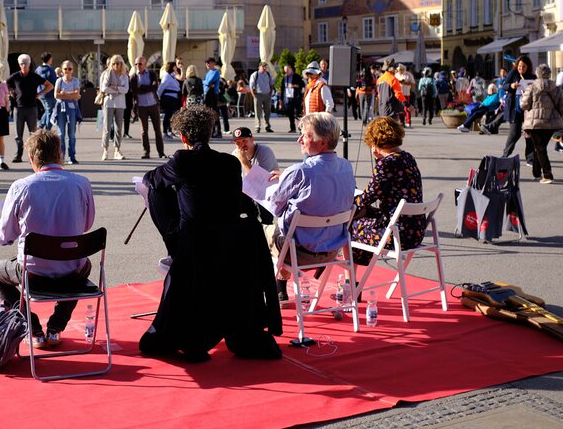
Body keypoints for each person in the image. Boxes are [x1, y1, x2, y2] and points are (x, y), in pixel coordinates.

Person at [140, 105, 282, 362]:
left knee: (154, 192)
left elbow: (152, 179)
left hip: (193, 239)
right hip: (230, 239)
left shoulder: (182, 160)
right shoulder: (229, 162)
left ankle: (173, 248)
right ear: (209, 134)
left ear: (183, 138)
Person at [0, 129, 95, 349]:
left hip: (33, 273)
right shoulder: (81, 183)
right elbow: (87, 225)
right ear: (60, 154)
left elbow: (4, 236)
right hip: (70, 270)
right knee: (84, 263)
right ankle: (56, 326)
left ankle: (32, 327)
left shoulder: (22, 186)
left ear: (32, 159)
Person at [264, 112, 356, 302]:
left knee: (259, 231)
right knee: (286, 231)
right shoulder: (346, 167)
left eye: (305, 135)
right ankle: (280, 288)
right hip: (331, 250)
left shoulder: (300, 171)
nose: (299, 139)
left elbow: (275, 208)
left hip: (298, 251)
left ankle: (271, 291)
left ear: (322, 141)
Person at [350, 116, 424, 267]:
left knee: (351, 226)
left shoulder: (386, 163)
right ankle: (353, 282)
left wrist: (351, 202)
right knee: (365, 214)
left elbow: (369, 196)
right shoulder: (407, 157)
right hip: (416, 231)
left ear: (375, 141)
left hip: (396, 234)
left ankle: (351, 282)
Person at [521, 63, 563, 184]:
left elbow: (524, 105)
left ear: (537, 74)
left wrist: (523, 98)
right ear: (549, 74)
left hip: (534, 122)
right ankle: (536, 172)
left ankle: (547, 174)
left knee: (540, 147)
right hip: (551, 122)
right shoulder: (556, 88)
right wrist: (558, 115)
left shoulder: (531, 87)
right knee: (540, 147)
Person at [7, 54, 52, 163]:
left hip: (32, 108)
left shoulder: (34, 76)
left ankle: (35, 154)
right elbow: (6, 84)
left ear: (29, 64)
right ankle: (18, 154)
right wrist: (11, 92)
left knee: (33, 133)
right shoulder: (15, 76)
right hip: (19, 108)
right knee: (18, 134)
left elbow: (50, 85)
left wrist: (39, 94)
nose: (24, 65)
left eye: (26, 63)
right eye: (22, 63)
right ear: (19, 64)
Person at [491, 55, 535, 163]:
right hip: (515, 108)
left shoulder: (532, 77)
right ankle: (505, 155)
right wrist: (511, 86)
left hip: (528, 109)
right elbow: (504, 86)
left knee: (529, 133)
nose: (521, 68)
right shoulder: (513, 73)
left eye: (523, 66)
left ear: (528, 67)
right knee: (514, 133)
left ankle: (530, 158)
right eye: (519, 66)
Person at [130, 57, 165, 159]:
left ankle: (161, 152)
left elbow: (155, 87)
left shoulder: (152, 74)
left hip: (153, 104)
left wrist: (143, 88)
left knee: (157, 129)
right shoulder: (134, 77)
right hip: (141, 106)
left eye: (140, 64)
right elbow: (135, 90)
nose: (138, 66)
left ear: (145, 64)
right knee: (144, 131)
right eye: (136, 64)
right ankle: (146, 152)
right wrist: (147, 88)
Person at [98, 55, 129, 161]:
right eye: (114, 63)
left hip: (120, 104)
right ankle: (105, 150)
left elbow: (126, 90)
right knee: (107, 128)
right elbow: (104, 87)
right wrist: (118, 90)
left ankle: (117, 150)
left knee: (119, 128)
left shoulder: (124, 75)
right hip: (109, 103)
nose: (116, 65)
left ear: (121, 64)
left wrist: (115, 88)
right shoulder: (107, 73)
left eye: (118, 63)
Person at [53, 60, 81, 165]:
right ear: (62, 70)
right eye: (65, 69)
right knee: (61, 134)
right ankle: (61, 157)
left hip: (72, 108)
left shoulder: (75, 81)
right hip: (61, 108)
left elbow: (76, 95)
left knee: (71, 134)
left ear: (73, 70)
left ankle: (72, 156)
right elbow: (56, 95)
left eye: (70, 69)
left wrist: (64, 93)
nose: (67, 71)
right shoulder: (59, 81)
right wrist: (71, 94)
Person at [156, 61, 181, 138]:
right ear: (172, 67)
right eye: (175, 66)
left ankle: (170, 131)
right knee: (168, 115)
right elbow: (161, 87)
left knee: (171, 115)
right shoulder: (167, 76)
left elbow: (177, 86)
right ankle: (165, 132)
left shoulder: (171, 76)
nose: (176, 67)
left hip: (173, 98)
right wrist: (157, 97)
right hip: (168, 98)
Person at [248, 61, 274, 133]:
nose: (264, 68)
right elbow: (251, 86)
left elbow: (271, 85)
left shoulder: (268, 74)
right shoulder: (255, 75)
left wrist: (270, 93)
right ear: (259, 67)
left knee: (267, 111)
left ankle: (267, 126)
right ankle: (257, 126)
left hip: (267, 94)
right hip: (258, 94)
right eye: (263, 67)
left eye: (265, 67)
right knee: (257, 111)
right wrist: (254, 96)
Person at [35, 52, 58, 131]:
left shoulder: (38, 69)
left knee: (47, 110)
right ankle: (48, 129)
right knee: (50, 112)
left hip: (40, 93)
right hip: (49, 94)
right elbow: (54, 83)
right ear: (49, 59)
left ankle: (41, 125)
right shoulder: (51, 70)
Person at [202, 57, 223, 138]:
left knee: (214, 112)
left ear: (213, 63)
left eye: (208, 63)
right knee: (208, 113)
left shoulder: (216, 72)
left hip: (212, 94)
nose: (207, 64)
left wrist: (205, 82)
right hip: (206, 94)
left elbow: (208, 81)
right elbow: (204, 81)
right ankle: (211, 130)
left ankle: (218, 131)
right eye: (206, 63)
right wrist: (205, 82)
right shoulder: (208, 72)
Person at [281, 63, 305, 132]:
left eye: (287, 70)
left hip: (296, 98)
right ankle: (292, 128)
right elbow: (282, 89)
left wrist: (294, 85)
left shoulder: (296, 77)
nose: (286, 71)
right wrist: (281, 100)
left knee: (298, 114)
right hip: (288, 98)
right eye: (285, 70)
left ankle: (301, 128)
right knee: (290, 114)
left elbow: (302, 85)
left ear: (291, 69)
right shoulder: (284, 78)